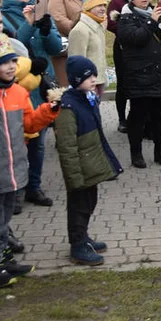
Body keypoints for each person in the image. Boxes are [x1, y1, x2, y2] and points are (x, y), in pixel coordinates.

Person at [0, 34, 58, 287]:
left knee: (4, 220)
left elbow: (30, 124)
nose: (12, 66)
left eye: (13, 61)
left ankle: (4, 258)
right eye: (4, 62)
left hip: (16, 168)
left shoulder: (19, 92)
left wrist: (47, 111)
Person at [0, 0, 63, 208]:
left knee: (38, 142)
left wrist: (46, 30)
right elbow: (10, 47)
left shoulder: (40, 10)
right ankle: (15, 191)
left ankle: (34, 187)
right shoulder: (2, 15)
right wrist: (29, 24)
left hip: (39, 86)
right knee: (16, 145)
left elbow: (56, 49)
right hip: (15, 87)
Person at [54, 56, 123, 267]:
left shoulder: (87, 97)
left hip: (89, 164)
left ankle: (83, 237)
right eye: (88, 77)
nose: (94, 79)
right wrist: (73, 176)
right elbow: (67, 147)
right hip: (79, 168)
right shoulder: (67, 107)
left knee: (89, 202)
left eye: (94, 75)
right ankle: (77, 244)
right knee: (79, 206)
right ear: (76, 79)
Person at [118, 0, 161, 169]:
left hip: (159, 74)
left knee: (159, 115)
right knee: (138, 116)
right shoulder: (126, 18)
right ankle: (136, 154)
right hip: (139, 75)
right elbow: (136, 38)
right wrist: (153, 21)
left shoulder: (154, 15)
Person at [108, 0, 142, 131]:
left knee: (140, 83)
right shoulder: (117, 2)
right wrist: (128, 30)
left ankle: (137, 117)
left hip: (141, 46)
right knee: (122, 84)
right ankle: (122, 119)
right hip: (122, 46)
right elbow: (110, 23)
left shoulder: (143, 2)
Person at [66, 0, 109, 97]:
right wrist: (81, 86)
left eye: (104, 5)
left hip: (97, 81)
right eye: (99, 5)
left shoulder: (99, 27)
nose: (103, 9)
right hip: (86, 85)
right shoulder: (80, 30)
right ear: (89, 7)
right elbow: (76, 62)